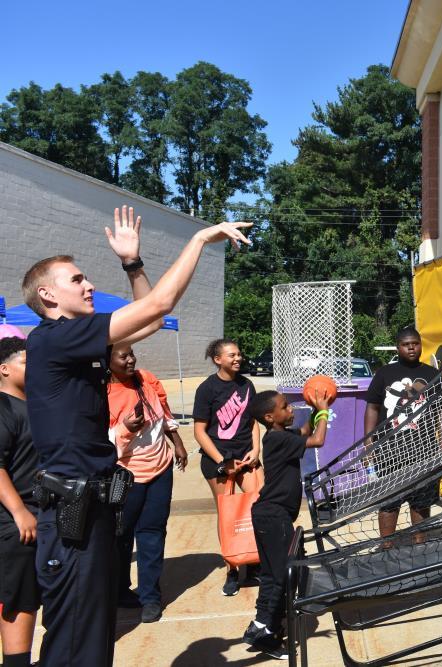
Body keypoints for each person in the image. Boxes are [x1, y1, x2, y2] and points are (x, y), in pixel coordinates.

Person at [22, 204, 250, 667]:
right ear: (47, 294)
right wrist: (198, 240)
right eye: (77, 279)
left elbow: (151, 321)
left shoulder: (77, 341)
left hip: (93, 507)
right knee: (74, 639)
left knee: (94, 633)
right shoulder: (53, 339)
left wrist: (133, 264)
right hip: (71, 514)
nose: (89, 285)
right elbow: (158, 305)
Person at [242, 389, 330, 660]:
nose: (290, 410)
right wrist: (324, 412)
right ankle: (267, 633)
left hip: (269, 516)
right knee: (283, 576)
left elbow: (305, 431)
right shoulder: (278, 438)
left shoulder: (280, 435)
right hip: (274, 515)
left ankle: (261, 624)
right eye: (284, 407)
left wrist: (314, 411)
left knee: (271, 574)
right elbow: (317, 439)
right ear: (270, 417)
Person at [107, 343, 188, 623]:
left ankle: (150, 596)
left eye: (132, 354)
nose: (131, 360)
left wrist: (177, 443)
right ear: (107, 361)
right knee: (121, 535)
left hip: (160, 469)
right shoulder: (101, 393)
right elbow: (100, 442)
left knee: (152, 533)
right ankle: (119, 590)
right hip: (125, 474)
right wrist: (125, 429)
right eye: (123, 356)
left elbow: (164, 415)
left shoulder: (147, 379)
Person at [192, 338, 261, 596]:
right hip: (218, 459)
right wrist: (222, 461)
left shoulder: (247, 384)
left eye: (239, 354)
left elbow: (253, 421)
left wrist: (256, 450)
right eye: (231, 355)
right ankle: (232, 569)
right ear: (217, 359)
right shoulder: (207, 389)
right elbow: (200, 432)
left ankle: (254, 564)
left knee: (259, 506)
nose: (237, 358)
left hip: (246, 456)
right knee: (228, 515)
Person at [364, 325, 442, 541]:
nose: (411, 348)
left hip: (425, 449)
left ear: (421, 345)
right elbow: (372, 408)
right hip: (389, 451)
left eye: (415, 344)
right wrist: (368, 443)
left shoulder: (433, 374)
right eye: (406, 344)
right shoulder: (384, 373)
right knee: (389, 503)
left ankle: (419, 545)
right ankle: (386, 547)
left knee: (421, 502)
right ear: (397, 347)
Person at [0, 337, 39, 667]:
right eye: (26, 361)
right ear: (4, 369)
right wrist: (19, 511)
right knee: (19, 599)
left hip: (41, 516)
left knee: (31, 596)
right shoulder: (3, 408)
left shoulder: (35, 405)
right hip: (16, 523)